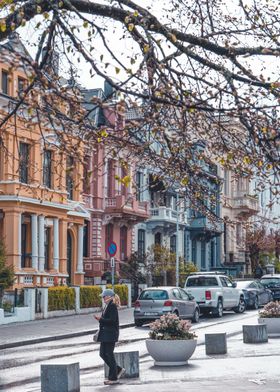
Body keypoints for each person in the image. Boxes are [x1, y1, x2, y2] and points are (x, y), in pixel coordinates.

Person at [94, 289, 125, 385]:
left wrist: (100, 319)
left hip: (110, 334)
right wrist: (101, 320)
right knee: (102, 354)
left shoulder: (112, 306)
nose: (103, 298)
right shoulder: (108, 306)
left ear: (109, 297)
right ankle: (118, 369)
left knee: (108, 354)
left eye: (104, 296)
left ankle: (113, 378)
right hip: (105, 334)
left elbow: (112, 320)